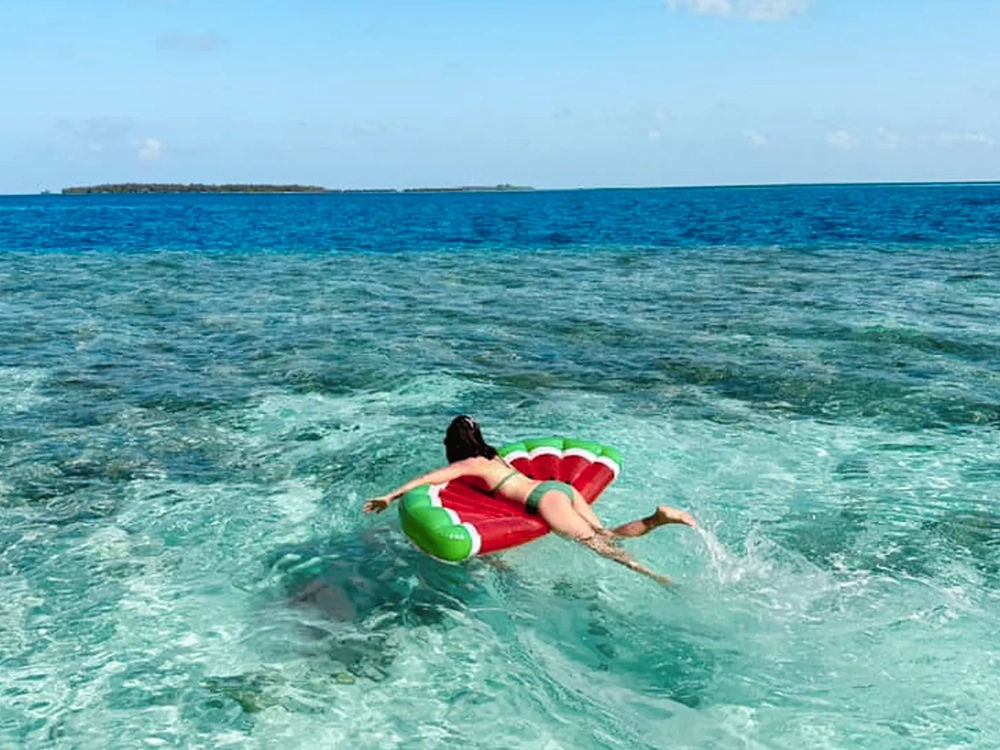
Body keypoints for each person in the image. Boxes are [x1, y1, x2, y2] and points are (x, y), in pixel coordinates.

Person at [364, 415, 696, 585]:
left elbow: (428, 479)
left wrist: (390, 497)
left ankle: (654, 576)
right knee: (606, 533)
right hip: (559, 488)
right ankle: (657, 518)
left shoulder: (470, 464)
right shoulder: (496, 457)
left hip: (544, 501)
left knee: (602, 547)